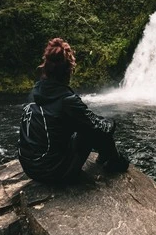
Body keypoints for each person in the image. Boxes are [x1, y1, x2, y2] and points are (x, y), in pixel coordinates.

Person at [18, 37, 129, 184]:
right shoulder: (67, 101)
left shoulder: (35, 92)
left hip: (29, 167)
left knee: (87, 124)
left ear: (45, 67)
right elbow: (99, 128)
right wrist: (111, 122)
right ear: (69, 70)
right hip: (52, 172)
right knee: (94, 128)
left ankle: (106, 157)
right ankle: (114, 161)